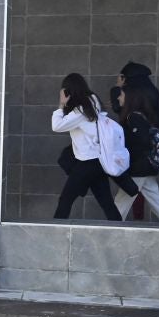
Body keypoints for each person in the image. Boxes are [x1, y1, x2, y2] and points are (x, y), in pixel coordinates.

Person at [52, 72, 123, 220]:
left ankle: (55, 232)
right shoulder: (92, 100)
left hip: (87, 163)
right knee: (107, 203)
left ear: (69, 91)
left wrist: (61, 104)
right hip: (98, 161)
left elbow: (57, 126)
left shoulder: (80, 110)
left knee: (65, 200)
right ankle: (120, 230)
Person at [112, 80, 159, 224]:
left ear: (130, 97)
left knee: (122, 201)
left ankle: (109, 229)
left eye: (122, 95)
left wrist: (128, 158)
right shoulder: (141, 115)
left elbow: (142, 141)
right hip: (144, 167)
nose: (119, 98)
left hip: (138, 168)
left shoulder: (133, 117)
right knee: (156, 198)